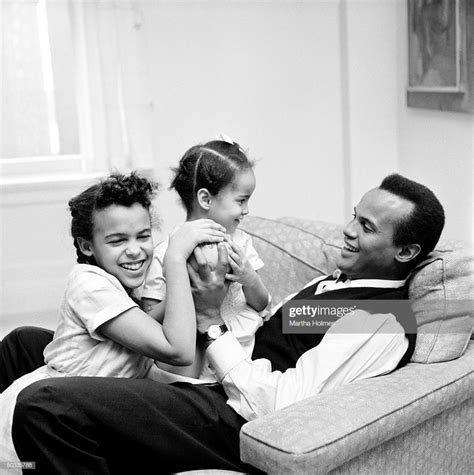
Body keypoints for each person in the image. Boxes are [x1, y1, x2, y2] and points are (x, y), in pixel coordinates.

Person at [3, 174, 444, 474]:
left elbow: (281, 405)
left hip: (234, 415)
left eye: (365, 227)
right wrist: (228, 295)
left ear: (404, 252)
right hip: (217, 374)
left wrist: (212, 323)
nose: (347, 229)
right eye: (353, 214)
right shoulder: (341, 285)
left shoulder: (380, 321)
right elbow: (279, 323)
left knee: (46, 404)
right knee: (23, 342)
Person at [0, 172, 227, 464]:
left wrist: (194, 291)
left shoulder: (114, 282)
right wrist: (175, 260)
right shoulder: (88, 283)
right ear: (86, 246)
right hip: (47, 420)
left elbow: (150, 323)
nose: (135, 250)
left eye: (143, 236)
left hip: (85, 411)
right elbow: (178, 350)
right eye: (117, 240)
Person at [138, 138, 271, 381]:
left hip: (238, 354)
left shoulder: (240, 242)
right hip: (187, 368)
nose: (247, 209)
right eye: (241, 200)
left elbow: (262, 304)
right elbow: (147, 322)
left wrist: (249, 278)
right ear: (206, 199)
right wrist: (184, 294)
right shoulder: (168, 253)